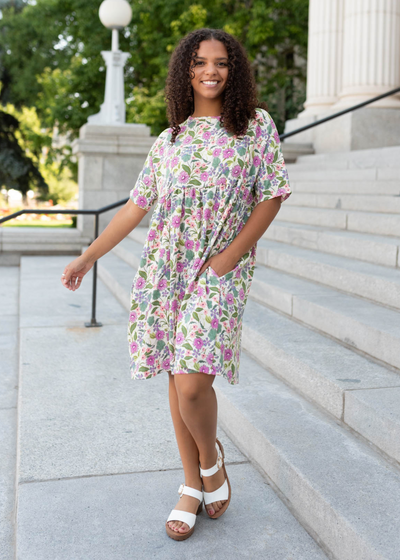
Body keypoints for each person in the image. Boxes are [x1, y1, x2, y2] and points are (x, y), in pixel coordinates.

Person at [61, 27, 292, 541]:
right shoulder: (171, 140)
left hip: (219, 268)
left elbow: (272, 193)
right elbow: (134, 208)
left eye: (222, 63)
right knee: (174, 374)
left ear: (234, 72)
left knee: (192, 381)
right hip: (167, 268)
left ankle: (210, 462)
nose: (211, 71)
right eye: (200, 62)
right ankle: (191, 485)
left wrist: (230, 257)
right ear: (185, 71)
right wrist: (88, 256)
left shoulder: (255, 127)